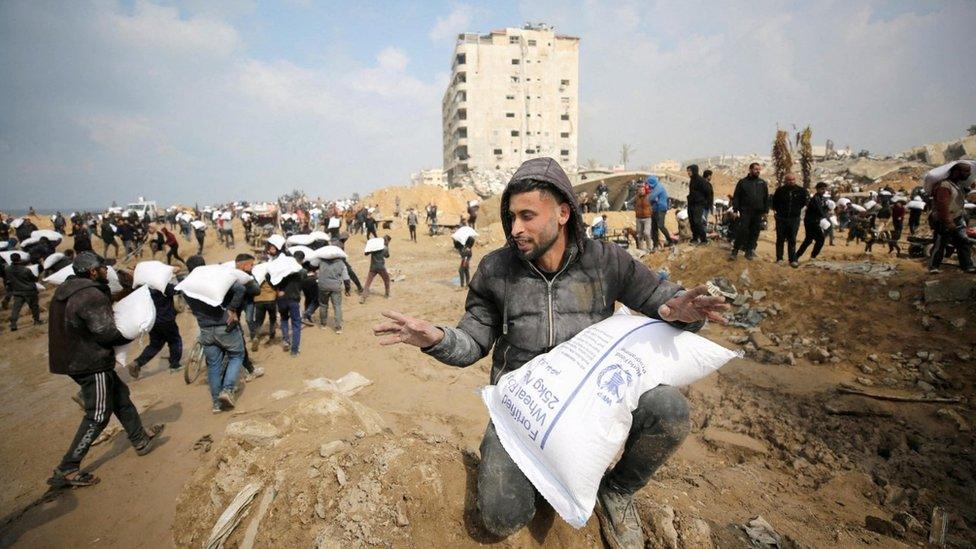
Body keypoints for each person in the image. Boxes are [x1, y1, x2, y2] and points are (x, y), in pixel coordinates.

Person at [372, 157, 728, 548]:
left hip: (591, 400)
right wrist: (435, 338)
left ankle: (617, 492)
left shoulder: (605, 262)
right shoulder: (495, 270)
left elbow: (664, 300)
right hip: (523, 411)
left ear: (562, 213)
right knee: (501, 516)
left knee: (670, 410)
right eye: (511, 217)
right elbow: (473, 341)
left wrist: (683, 312)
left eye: (527, 216)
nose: (515, 229)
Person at [46, 252, 164, 487]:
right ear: (92, 272)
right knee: (98, 414)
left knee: (121, 398)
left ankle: (140, 439)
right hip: (90, 363)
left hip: (72, 358)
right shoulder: (90, 295)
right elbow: (105, 332)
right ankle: (67, 467)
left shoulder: (67, 290)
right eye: (102, 268)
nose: (106, 271)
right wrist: (132, 331)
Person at [183, 260, 246, 412]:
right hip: (224, 326)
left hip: (205, 329)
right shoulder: (215, 277)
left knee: (213, 365)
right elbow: (240, 289)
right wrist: (231, 308)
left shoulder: (187, 284)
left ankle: (216, 404)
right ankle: (228, 390)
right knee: (236, 355)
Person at [126, 272, 182, 378]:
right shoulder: (163, 286)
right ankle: (175, 365)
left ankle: (137, 363)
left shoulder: (143, 288)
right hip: (167, 320)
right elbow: (177, 290)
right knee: (175, 340)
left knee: (155, 345)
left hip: (152, 321)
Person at [928, 163, 974, 274]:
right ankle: (934, 266)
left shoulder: (956, 185)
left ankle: (967, 266)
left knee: (963, 242)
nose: (969, 174)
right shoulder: (944, 185)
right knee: (941, 243)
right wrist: (948, 221)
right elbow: (942, 204)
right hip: (945, 219)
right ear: (956, 172)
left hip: (957, 218)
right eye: (966, 171)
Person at [729, 162, 770, 260]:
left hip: (758, 212)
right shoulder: (743, 182)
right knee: (743, 230)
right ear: (750, 169)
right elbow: (737, 197)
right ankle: (735, 251)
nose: (758, 171)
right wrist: (735, 210)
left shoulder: (762, 183)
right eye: (756, 169)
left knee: (755, 232)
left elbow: (766, 198)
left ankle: (749, 251)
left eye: (759, 169)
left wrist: (765, 211)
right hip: (745, 211)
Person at [771, 173, 808, 267]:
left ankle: (792, 259)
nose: (791, 181)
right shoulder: (780, 190)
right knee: (780, 239)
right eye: (789, 180)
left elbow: (804, 203)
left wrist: (796, 211)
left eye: (793, 179)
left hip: (794, 219)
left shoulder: (801, 191)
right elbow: (774, 203)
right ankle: (779, 258)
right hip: (781, 218)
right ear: (785, 181)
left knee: (792, 239)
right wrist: (777, 213)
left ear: (795, 180)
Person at [275, 252, 305, 357]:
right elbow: (303, 279)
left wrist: (278, 291)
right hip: (294, 300)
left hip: (282, 299)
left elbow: (271, 278)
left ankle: (286, 340)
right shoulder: (300, 272)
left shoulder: (281, 270)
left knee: (284, 319)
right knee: (296, 324)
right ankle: (294, 350)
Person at [795, 182, 831, 262]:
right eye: (822, 189)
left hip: (813, 221)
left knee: (808, 240)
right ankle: (813, 256)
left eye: (825, 189)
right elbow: (819, 210)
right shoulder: (816, 199)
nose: (824, 191)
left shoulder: (820, 198)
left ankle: (796, 257)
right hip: (811, 222)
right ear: (817, 189)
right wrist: (826, 213)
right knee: (820, 239)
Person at [6, 254, 43, 331]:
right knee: (34, 307)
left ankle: (13, 325)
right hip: (29, 291)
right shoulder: (26, 270)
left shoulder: (7, 269)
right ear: (19, 259)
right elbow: (34, 279)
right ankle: (36, 321)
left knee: (16, 309)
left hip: (17, 292)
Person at [316, 252, 349, 333]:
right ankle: (338, 327)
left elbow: (316, 271)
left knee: (323, 305)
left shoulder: (321, 262)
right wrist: (347, 289)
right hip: (335, 287)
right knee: (337, 306)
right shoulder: (341, 263)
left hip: (323, 286)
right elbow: (346, 278)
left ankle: (323, 324)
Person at [686, 164, 713, 244]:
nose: (688, 173)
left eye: (690, 171)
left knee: (697, 222)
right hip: (691, 204)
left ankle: (704, 239)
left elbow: (708, 192)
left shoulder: (701, 180)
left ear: (694, 171)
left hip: (698, 204)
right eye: (687, 171)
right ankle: (695, 238)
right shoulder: (692, 180)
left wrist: (705, 202)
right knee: (692, 222)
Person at [647, 175, 675, 251]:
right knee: (654, 227)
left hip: (661, 208)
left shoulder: (658, 187)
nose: (648, 185)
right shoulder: (654, 188)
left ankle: (670, 240)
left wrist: (651, 198)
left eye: (648, 183)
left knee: (660, 225)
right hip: (655, 209)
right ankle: (655, 245)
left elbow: (650, 198)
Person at [360, 235, 391, 303]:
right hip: (381, 267)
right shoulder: (385, 248)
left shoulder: (374, 248)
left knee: (368, 282)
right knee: (386, 279)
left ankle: (363, 297)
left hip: (373, 267)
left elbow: (366, 253)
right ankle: (387, 294)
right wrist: (387, 246)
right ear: (387, 241)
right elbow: (387, 256)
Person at [632, 181, 653, 251]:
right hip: (638, 218)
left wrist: (651, 210)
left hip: (647, 218)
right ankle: (641, 249)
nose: (641, 191)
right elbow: (629, 203)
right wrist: (634, 209)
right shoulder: (636, 197)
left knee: (646, 233)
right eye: (640, 190)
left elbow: (654, 203)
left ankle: (649, 248)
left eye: (642, 190)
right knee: (639, 235)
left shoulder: (649, 196)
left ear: (645, 190)